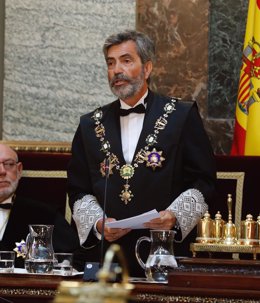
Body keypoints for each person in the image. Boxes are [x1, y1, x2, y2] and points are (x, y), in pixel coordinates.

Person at [68, 30, 216, 277]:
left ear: (147, 69)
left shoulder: (181, 115)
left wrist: (174, 217)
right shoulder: (90, 125)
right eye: (111, 63)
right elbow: (78, 189)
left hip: (164, 252)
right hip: (107, 258)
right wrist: (97, 223)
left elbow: (204, 180)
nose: (116, 70)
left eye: (126, 61)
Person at [0, 143, 80, 268]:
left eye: (9, 164)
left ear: (19, 170)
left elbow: (73, 260)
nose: (2, 171)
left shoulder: (45, 216)